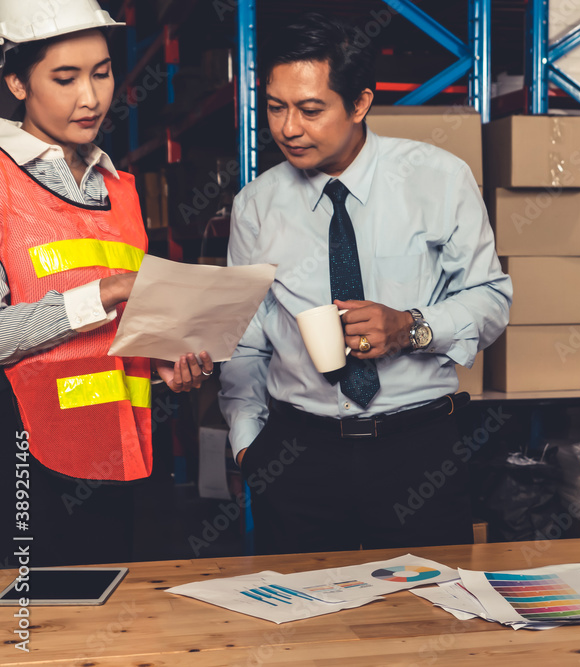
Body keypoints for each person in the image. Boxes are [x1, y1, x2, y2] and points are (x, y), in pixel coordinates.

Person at [219, 14, 512, 555]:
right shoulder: (255, 206)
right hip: (296, 457)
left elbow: (492, 299)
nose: (288, 128)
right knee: (302, 627)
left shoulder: (439, 178)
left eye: (310, 110)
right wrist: (246, 444)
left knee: (430, 621)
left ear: (359, 104)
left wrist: (411, 328)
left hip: (416, 453)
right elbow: (244, 341)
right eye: (275, 107)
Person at [0, 0, 212, 567]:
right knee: (40, 636)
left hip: (125, 454)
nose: (90, 97)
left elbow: (123, 328)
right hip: (25, 458)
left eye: (101, 72)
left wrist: (165, 358)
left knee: (121, 630)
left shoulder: (120, 187)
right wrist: (107, 292)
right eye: (65, 78)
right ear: (17, 81)